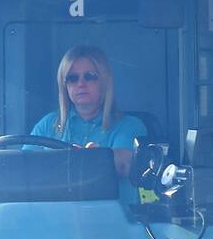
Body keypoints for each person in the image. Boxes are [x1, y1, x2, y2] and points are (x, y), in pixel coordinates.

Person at [31, 45, 145, 178]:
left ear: (105, 82)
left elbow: (124, 166)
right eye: (72, 78)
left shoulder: (130, 126)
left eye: (90, 76)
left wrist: (97, 160)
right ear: (64, 85)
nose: (81, 84)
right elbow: (22, 166)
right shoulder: (47, 124)